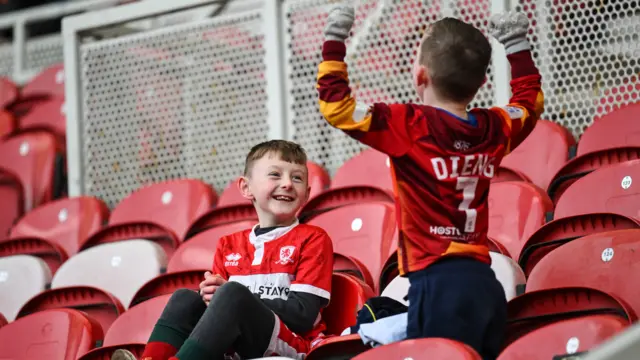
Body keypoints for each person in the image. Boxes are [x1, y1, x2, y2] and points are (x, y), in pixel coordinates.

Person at [317, 5, 543, 360]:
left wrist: (334, 41)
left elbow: (336, 107)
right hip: (485, 285)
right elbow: (529, 104)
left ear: (420, 76)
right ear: (481, 83)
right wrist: (516, 45)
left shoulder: (407, 124)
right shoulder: (494, 127)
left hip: (436, 286)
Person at [112, 140, 334, 360]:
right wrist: (211, 298)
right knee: (185, 299)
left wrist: (235, 297)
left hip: (294, 344)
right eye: (275, 175)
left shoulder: (313, 238)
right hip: (234, 347)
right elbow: (218, 316)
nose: (287, 183)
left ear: (306, 194)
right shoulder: (229, 244)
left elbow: (303, 316)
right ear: (246, 188)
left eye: (297, 178)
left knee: (232, 294)